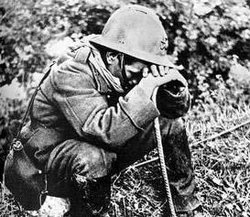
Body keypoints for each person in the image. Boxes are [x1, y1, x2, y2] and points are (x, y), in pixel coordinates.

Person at [4, 4, 202, 217]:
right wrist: (145, 87)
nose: (139, 78)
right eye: (136, 71)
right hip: (43, 167)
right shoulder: (71, 73)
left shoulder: (121, 68)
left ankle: (185, 206)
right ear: (112, 57)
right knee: (94, 158)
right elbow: (105, 133)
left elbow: (176, 112)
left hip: (90, 148)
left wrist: (171, 88)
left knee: (170, 124)